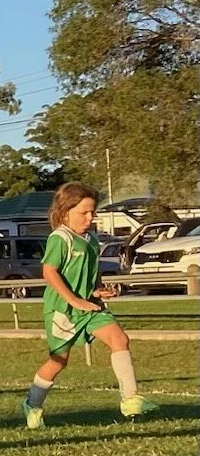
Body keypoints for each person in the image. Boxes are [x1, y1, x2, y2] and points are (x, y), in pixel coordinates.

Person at [24, 183, 157, 427]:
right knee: (58, 361)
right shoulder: (60, 238)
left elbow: (90, 274)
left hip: (91, 307)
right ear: (65, 213)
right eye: (83, 212)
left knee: (120, 340)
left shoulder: (92, 240)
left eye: (92, 212)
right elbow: (49, 272)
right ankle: (32, 404)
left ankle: (130, 401)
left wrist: (97, 289)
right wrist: (73, 299)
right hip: (63, 310)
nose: (90, 217)